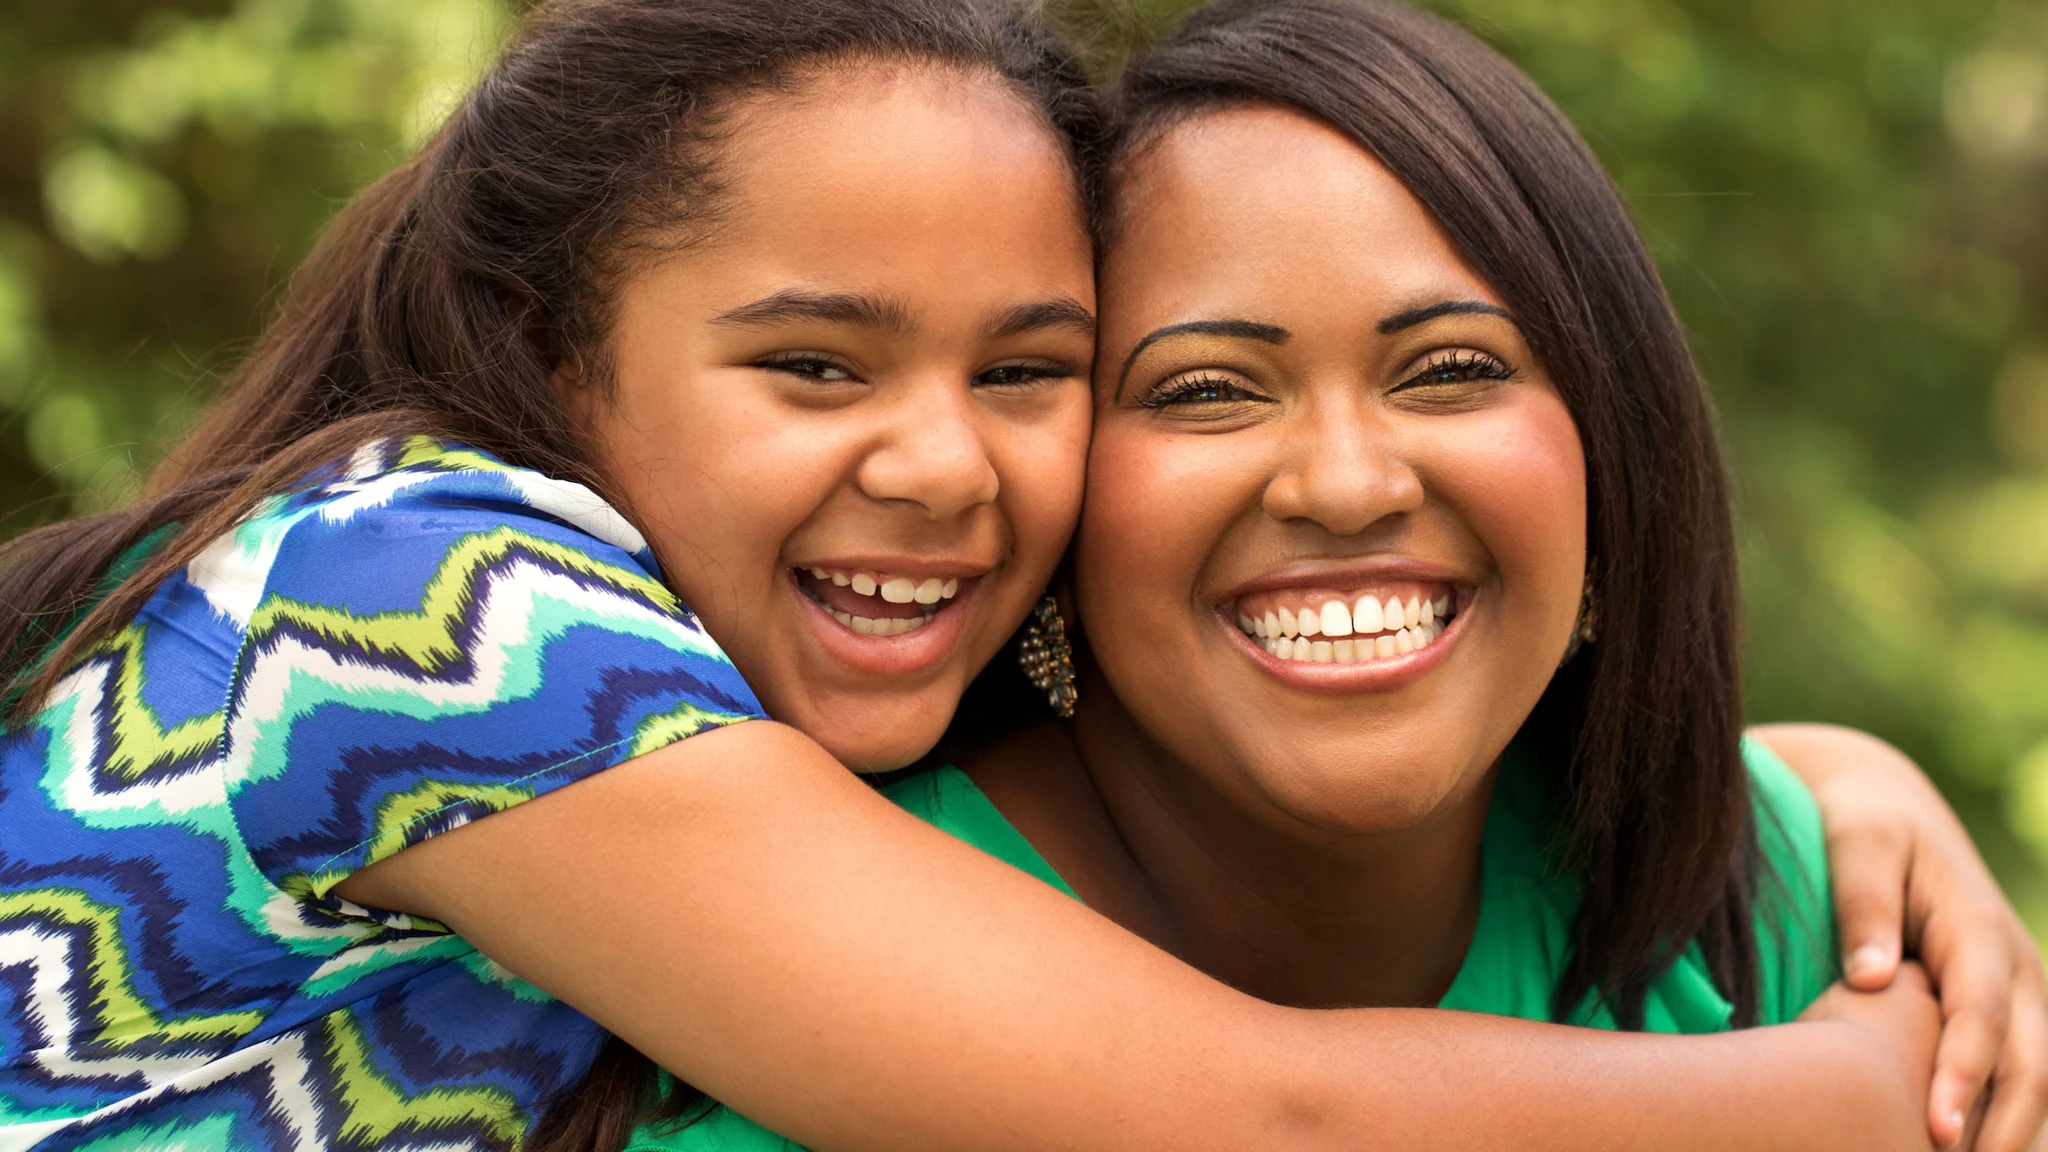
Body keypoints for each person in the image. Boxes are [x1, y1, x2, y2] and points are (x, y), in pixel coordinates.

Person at [0, 2, 2037, 1151]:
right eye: (813, 360)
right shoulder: (425, 597)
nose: (944, 463)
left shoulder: (747, 762)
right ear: (548, 353)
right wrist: (1870, 1094)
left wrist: (1818, 771)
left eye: (1030, 372)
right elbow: (1264, 1118)